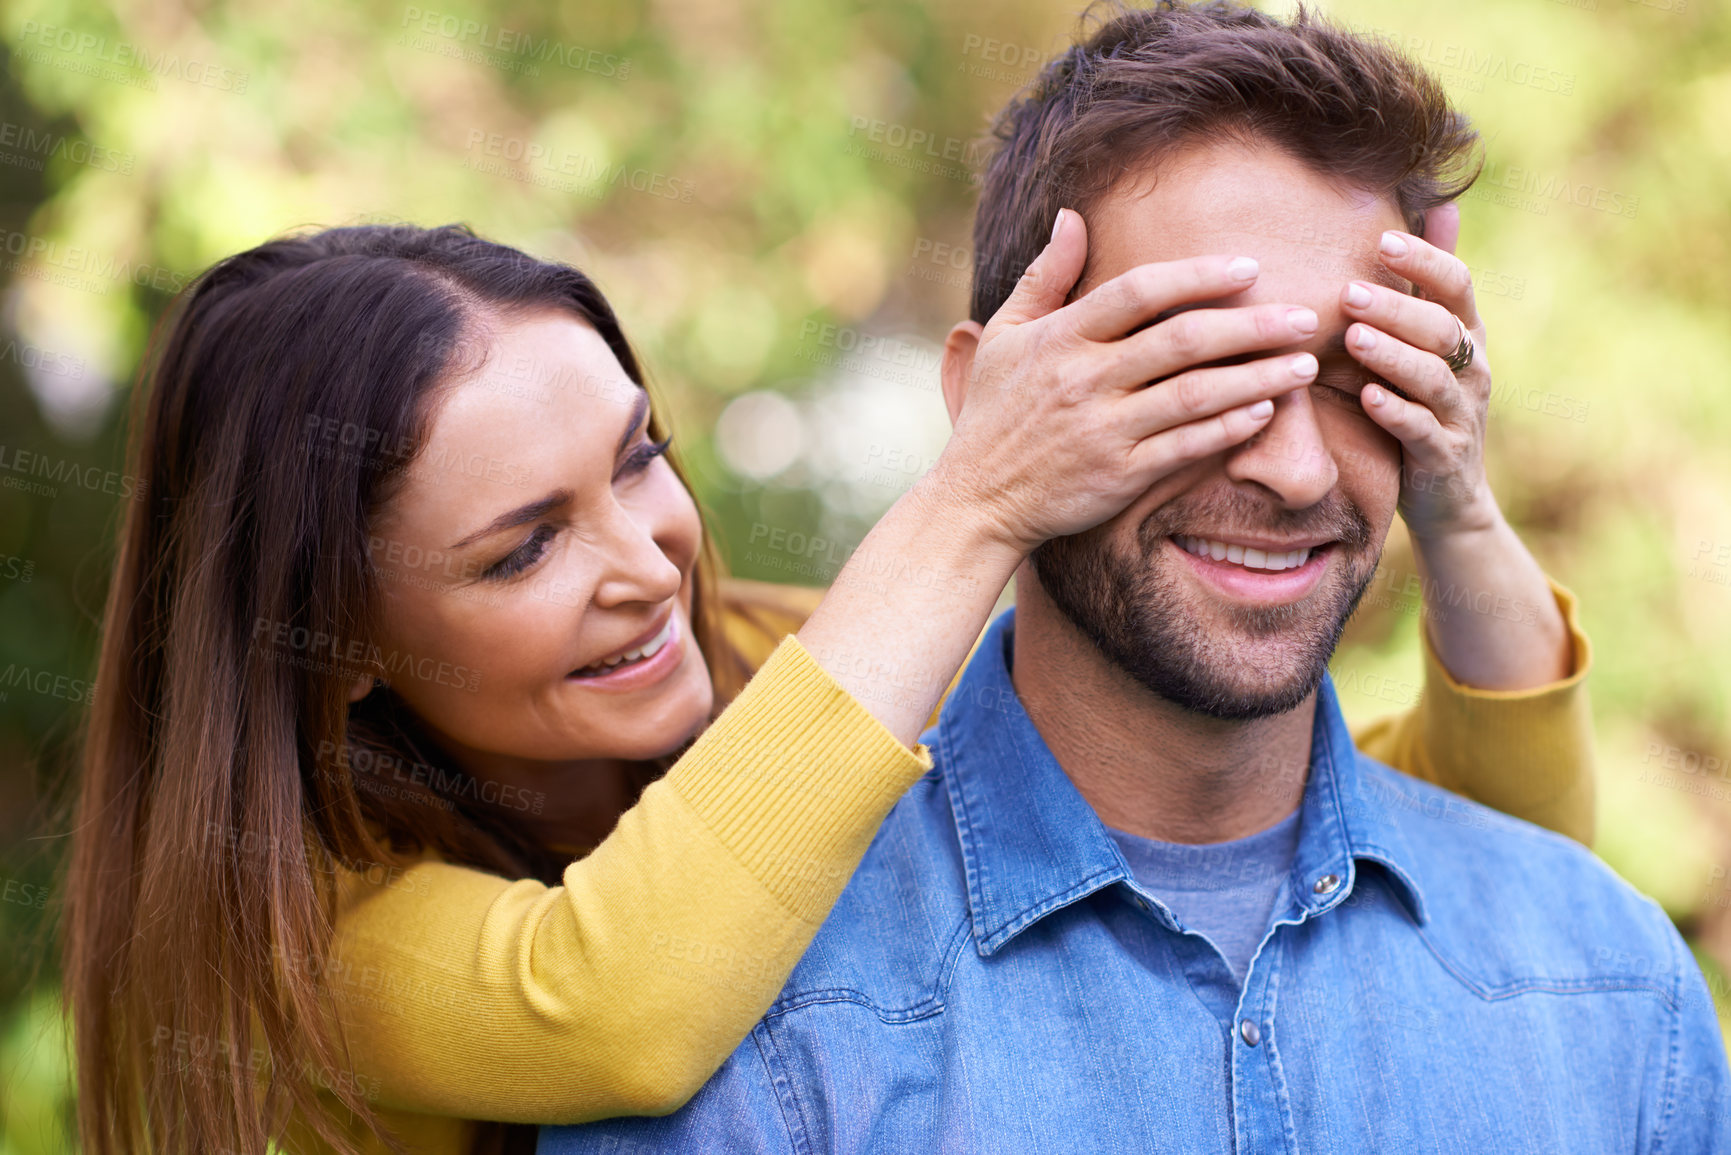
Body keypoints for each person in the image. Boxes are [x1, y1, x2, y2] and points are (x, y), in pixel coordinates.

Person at [62, 101, 1598, 1155]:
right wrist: (977, 493)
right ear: (334, 645)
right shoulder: (298, 929)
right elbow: (613, 1008)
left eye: (638, 457)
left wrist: (1445, 487)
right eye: (523, 546)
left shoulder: (796, 667)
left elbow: (1458, 847)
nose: (643, 562)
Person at [541, 4, 1730, 1153]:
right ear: (985, 396)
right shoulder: (758, 1032)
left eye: (1345, 372)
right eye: (1196, 370)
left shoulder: (1616, 992)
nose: (1296, 465)